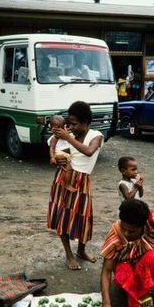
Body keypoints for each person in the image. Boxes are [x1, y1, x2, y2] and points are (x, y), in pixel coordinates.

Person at [97, 199, 154, 307]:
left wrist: (142, 253)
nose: (126, 234)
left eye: (132, 231)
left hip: (146, 257)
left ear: (143, 226)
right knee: (123, 271)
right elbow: (106, 270)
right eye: (124, 228)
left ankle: (144, 288)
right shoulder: (116, 234)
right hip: (124, 263)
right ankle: (134, 289)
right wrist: (106, 303)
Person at [47, 101, 104, 270]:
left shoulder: (96, 136)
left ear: (86, 122)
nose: (71, 127)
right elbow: (53, 150)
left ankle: (81, 250)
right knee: (62, 217)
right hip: (63, 178)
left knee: (83, 218)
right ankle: (69, 254)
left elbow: (88, 151)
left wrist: (68, 138)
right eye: (69, 123)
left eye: (75, 124)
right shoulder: (65, 136)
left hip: (83, 180)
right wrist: (55, 159)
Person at [47, 115, 76, 193]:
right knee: (69, 168)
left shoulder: (67, 135)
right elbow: (52, 148)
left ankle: (68, 183)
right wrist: (52, 157)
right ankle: (67, 184)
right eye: (56, 129)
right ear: (51, 129)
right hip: (61, 154)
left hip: (68, 155)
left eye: (61, 128)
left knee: (70, 169)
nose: (59, 131)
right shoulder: (54, 138)